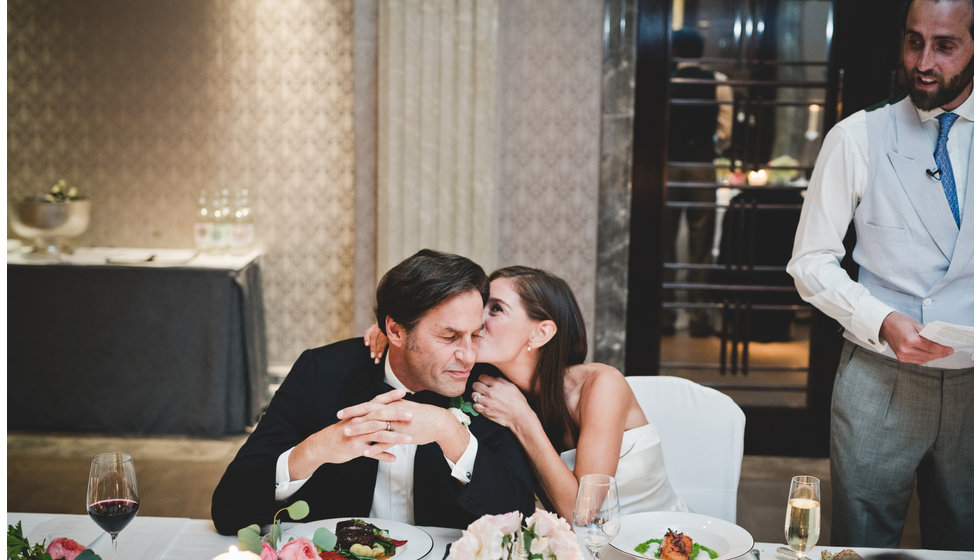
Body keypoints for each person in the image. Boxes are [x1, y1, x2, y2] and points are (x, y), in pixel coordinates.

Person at [786, 0, 973, 549]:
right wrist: (882, 318)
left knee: (967, 542)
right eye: (915, 41)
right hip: (879, 377)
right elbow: (810, 261)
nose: (924, 61)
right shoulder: (855, 136)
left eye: (946, 45)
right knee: (861, 542)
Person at [211, 249, 536, 535]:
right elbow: (228, 510)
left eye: (475, 335)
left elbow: (520, 518)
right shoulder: (321, 372)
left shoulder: (485, 388)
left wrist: (452, 434)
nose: (468, 355)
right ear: (395, 330)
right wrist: (314, 451)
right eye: (449, 337)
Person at [364, 266, 688, 522]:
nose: (478, 319)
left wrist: (523, 419)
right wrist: (397, 336)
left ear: (541, 332)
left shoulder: (602, 385)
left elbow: (584, 514)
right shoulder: (490, 382)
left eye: (496, 309)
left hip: (653, 542)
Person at [663, 27, 734, 337]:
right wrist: (711, 148)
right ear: (701, 52)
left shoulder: (665, 81)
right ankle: (697, 316)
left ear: (674, 51)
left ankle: (664, 316)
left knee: (662, 242)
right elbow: (726, 131)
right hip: (702, 166)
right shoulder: (717, 82)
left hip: (667, 167)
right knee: (701, 244)